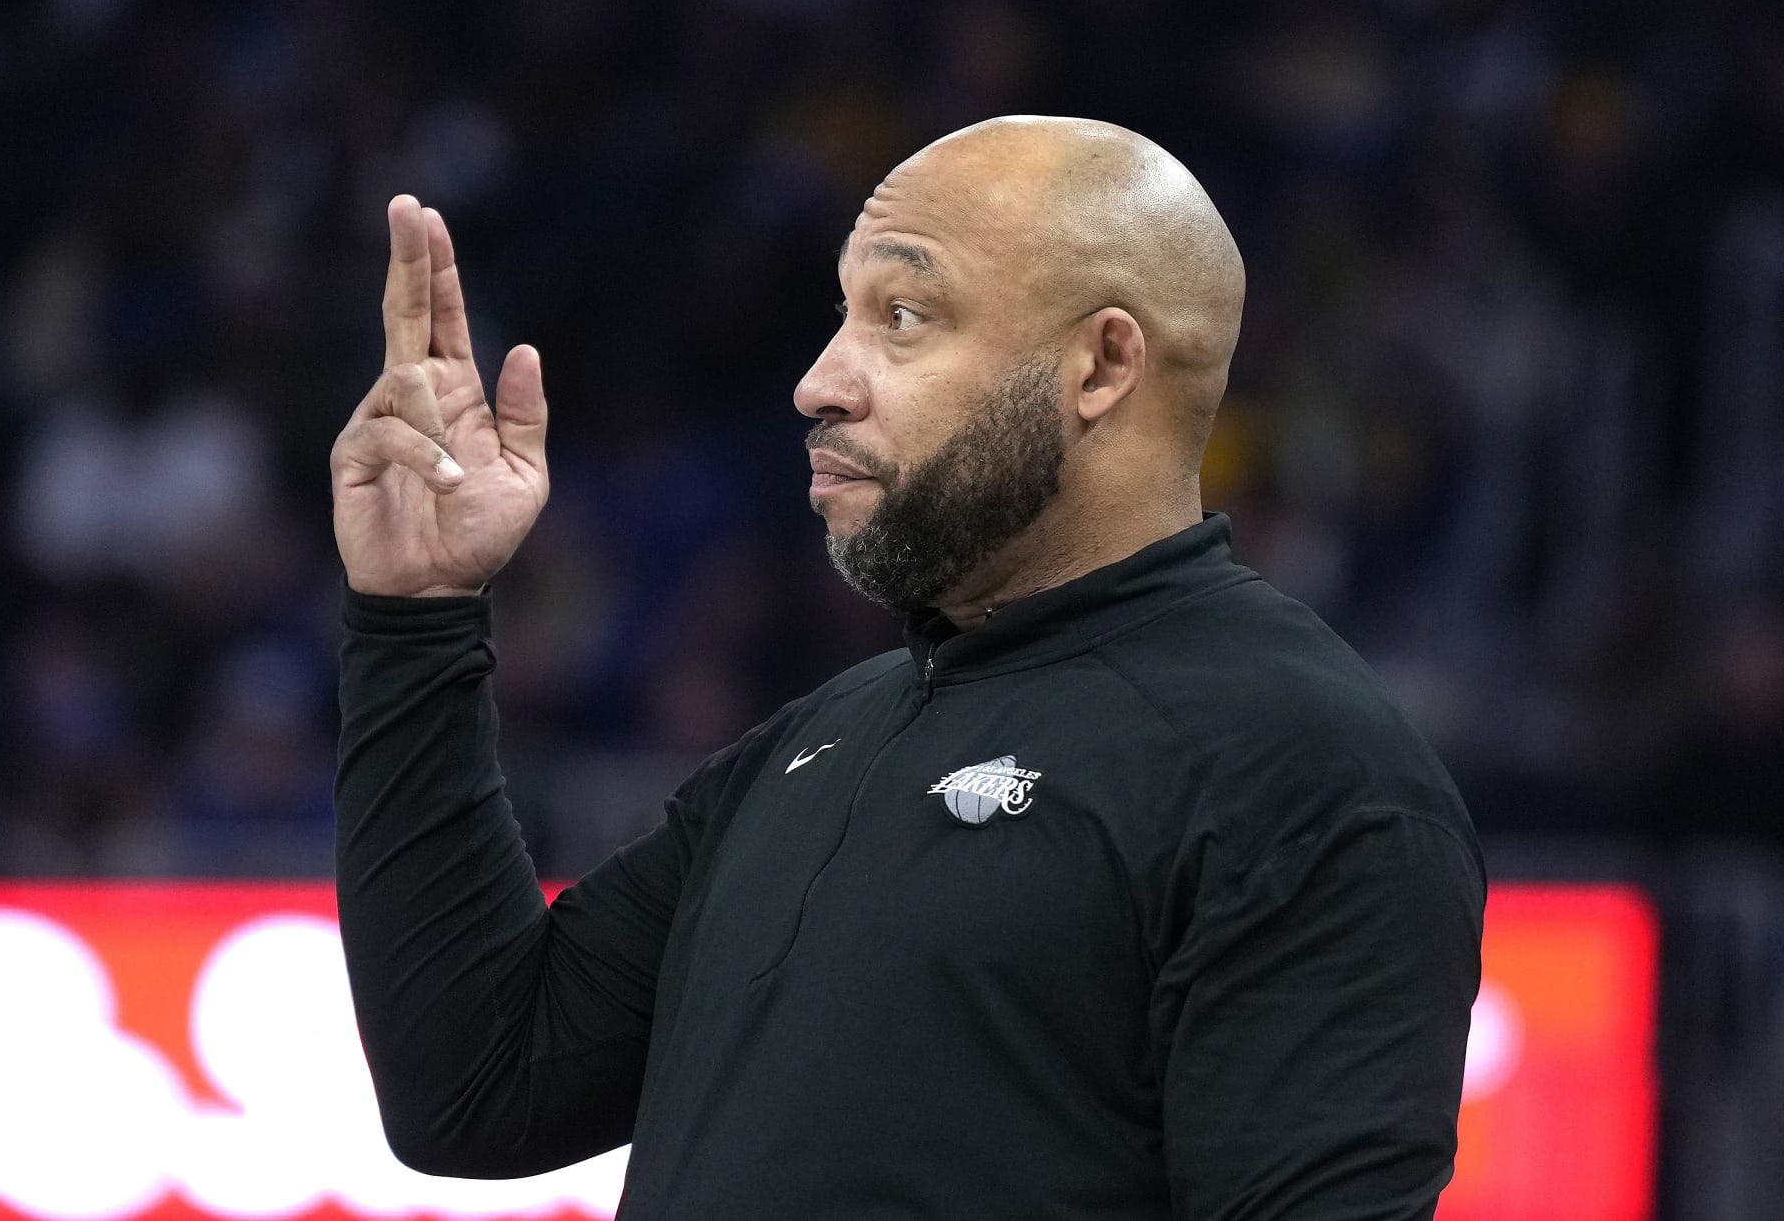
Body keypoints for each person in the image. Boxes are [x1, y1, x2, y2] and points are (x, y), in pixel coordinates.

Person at [331, 115, 1484, 1220]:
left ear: (1102, 364)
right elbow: (476, 1082)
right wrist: (417, 619)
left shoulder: (1306, 769)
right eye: (844, 314)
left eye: (904, 314)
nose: (821, 380)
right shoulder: (816, 739)